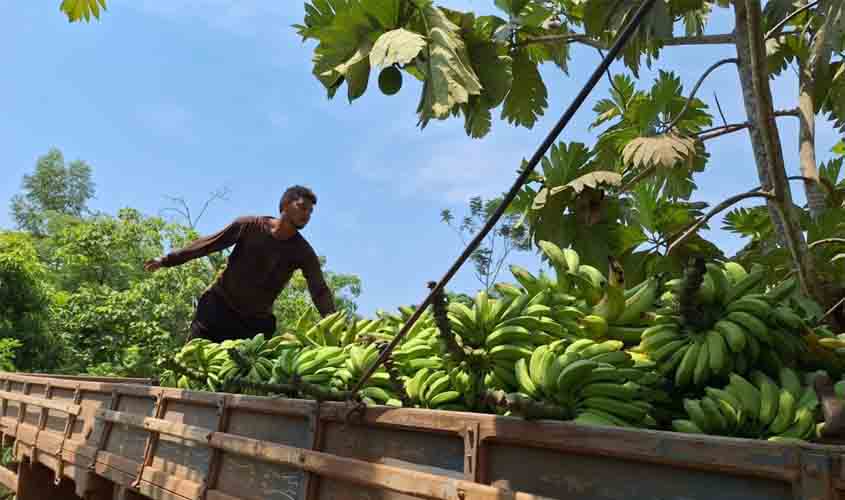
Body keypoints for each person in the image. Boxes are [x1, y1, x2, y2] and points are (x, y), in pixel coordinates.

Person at [144, 185, 336, 343]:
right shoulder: (250, 225)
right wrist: (166, 260)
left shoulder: (303, 252)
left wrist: (334, 323)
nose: (307, 214)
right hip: (218, 308)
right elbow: (207, 245)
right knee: (192, 359)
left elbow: (319, 290)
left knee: (241, 376)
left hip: (254, 323)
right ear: (285, 205)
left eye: (310, 211)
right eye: (302, 207)